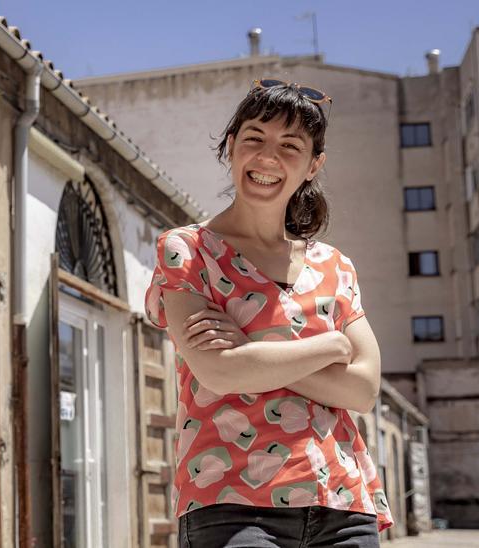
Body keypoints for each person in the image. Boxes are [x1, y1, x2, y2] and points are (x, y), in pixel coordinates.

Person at [144, 79, 392, 547]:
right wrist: (330, 347)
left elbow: (362, 389)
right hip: (231, 501)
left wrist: (251, 352)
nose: (267, 157)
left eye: (290, 145)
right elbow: (218, 371)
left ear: (313, 164)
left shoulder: (334, 266)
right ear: (232, 147)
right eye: (254, 138)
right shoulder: (188, 251)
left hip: (341, 499)